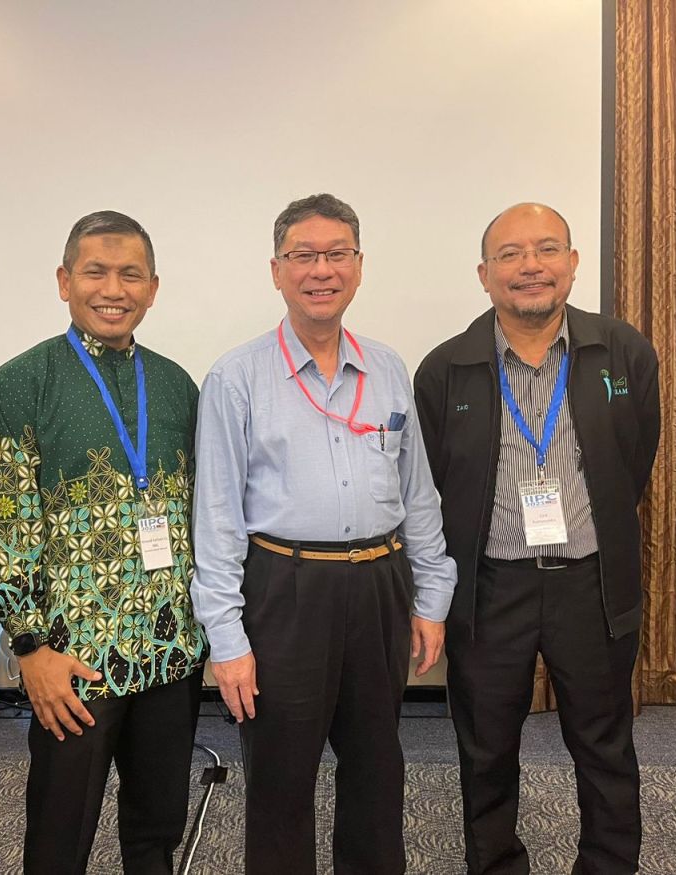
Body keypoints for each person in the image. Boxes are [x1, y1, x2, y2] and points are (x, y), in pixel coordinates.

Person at [191, 193, 456, 874]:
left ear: (359, 266)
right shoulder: (236, 377)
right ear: (276, 270)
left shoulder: (388, 367)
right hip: (285, 587)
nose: (321, 269)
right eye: (303, 255)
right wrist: (227, 638)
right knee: (280, 778)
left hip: (379, 586)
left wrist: (432, 596)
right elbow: (216, 519)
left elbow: (418, 494)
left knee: (376, 766)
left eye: (337, 254)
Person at [414, 202, 660, 875]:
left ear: (572, 264)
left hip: (591, 582)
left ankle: (608, 864)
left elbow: (633, 462)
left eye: (547, 249)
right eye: (511, 254)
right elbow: (435, 478)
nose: (531, 266)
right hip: (491, 589)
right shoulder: (445, 369)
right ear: (484, 274)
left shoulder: (623, 351)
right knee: (486, 749)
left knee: (604, 744)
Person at [0, 210, 207, 874]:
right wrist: (30, 647)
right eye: (95, 272)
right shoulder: (22, 382)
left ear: (153, 288)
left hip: (170, 650)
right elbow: (6, 523)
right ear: (64, 281)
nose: (113, 289)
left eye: (130, 274)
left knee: (156, 827)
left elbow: (201, 511)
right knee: (61, 829)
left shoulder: (177, 385)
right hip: (72, 658)